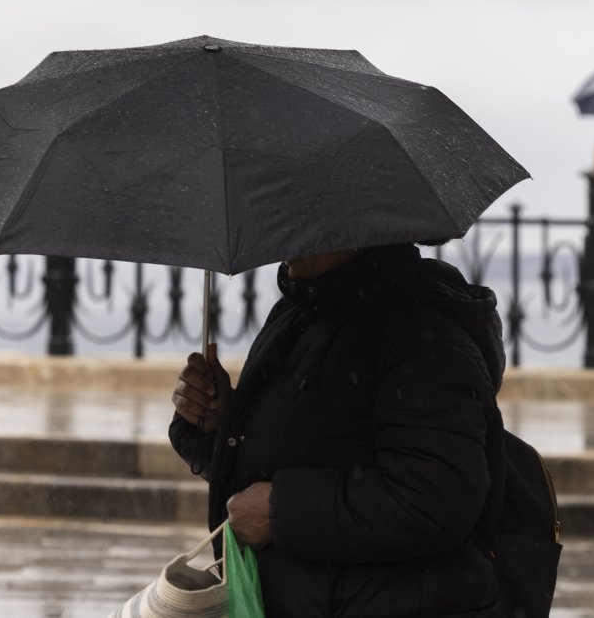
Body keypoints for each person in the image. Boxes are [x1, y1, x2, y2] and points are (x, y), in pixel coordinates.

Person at [169, 243, 507, 617]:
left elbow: (434, 498)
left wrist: (281, 511)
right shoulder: (301, 313)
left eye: (305, 221)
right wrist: (219, 421)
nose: (287, 242)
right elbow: (293, 449)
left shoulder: (424, 333)